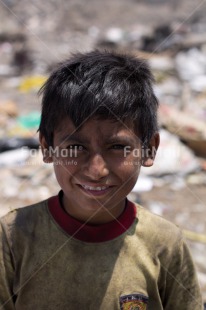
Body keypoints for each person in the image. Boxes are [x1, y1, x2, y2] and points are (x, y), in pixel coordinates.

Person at [0, 50, 203, 310]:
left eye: (117, 147)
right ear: (47, 147)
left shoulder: (165, 243)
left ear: (149, 149)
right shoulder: (13, 236)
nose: (96, 170)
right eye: (75, 147)